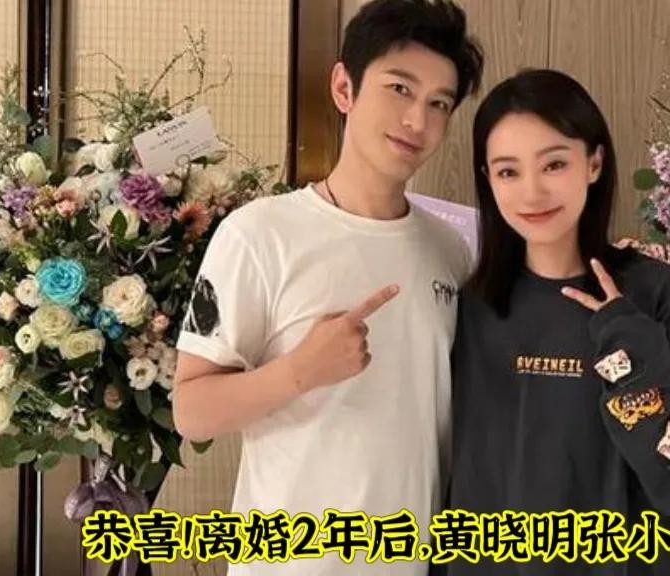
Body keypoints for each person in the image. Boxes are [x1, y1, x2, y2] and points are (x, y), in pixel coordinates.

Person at [172, 1, 483, 574]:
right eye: (399, 89)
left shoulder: (452, 250)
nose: (417, 120)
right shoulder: (259, 234)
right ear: (345, 87)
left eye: (439, 103)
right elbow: (191, 410)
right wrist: (300, 371)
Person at [443, 69, 670, 575]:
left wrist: (629, 350)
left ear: (593, 163)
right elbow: (465, 479)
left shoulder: (660, 295)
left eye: (554, 164)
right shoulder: (471, 305)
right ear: (488, 179)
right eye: (508, 172)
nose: (532, 192)